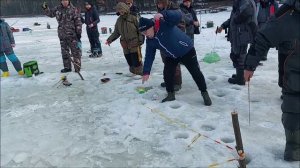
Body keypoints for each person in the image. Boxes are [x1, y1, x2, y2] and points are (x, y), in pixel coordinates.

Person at [244, 0, 300, 161]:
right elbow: (263, 37)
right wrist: (249, 66)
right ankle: (294, 148)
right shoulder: (287, 14)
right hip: (293, 79)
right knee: (293, 112)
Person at [139, 11, 212, 106]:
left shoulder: (164, 23)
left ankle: (204, 93)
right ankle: (170, 94)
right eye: (143, 33)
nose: (145, 34)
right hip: (172, 56)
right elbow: (149, 56)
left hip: (186, 50)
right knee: (167, 74)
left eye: (146, 31)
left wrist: (164, 14)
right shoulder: (150, 41)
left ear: (151, 26)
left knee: (195, 72)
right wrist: (146, 72)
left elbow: (178, 15)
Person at [216, 0, 257, 85]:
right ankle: (240, 75)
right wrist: (223, 26)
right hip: (238, 33)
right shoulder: (239, 2)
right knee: (236, 54)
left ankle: (240, 79)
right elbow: (233, 18)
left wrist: (236, 20)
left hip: (241, 33)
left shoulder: (244, 1)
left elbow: (247, 11)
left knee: (239, 55)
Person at [42, 0, 82, 73]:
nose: (64, 2)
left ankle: (77, 67)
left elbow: (78, 22)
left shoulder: (74, 10)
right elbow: (50, 13)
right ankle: (67, 67)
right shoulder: (57, 9)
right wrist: (45, 8)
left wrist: (78, 33)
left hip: (72, 35)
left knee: (75, 52)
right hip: (62, 35)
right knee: (65, 52)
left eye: (66, 0)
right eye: (63, 0)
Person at [105, 2, 144, 75]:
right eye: (119, 10)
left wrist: (141, 40)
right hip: (125, 44)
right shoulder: (119, 20)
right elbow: (116, 32)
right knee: (129, 61)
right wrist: (110, 39)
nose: (121, 11)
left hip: (134, 43)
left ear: (125, 9)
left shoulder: (133, 17)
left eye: (122, 9)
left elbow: (140, 29)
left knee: (136, 61)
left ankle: (140, 75)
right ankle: (133, 75)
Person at [156, 0, 185, 91]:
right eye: (157, 3)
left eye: (160, 3)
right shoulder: (160, 12)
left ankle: (177, 83)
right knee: (166, 62)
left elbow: (182, 26)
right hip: (163, 41)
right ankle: (169, 80)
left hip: (173, 41)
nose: (158, 5)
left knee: (174, 63)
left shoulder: (176, 11)